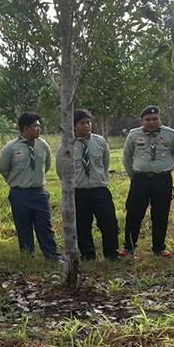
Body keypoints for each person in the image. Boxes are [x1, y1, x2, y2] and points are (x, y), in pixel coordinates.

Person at [56, 109, 120, 261]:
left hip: (99, 189)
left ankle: (111, 253)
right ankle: (88, 254)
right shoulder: (67, 146)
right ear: (73, 126)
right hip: (79, 192)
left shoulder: (100, 141)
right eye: (82, 123)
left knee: (109, 223)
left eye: (88, 122)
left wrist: (99, 178)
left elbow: (104, 163)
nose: (87, 125)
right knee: (82, 226)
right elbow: (61, 171)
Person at [122, 106, 174, 257]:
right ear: (142, 120)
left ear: (159, 119)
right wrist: (135, 176)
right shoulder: (133, 134)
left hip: (162, 180)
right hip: (140, 179)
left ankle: (159, 247)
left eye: (155, 118)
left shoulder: (171, 134)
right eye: (148, 119)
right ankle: (129, 247)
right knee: (134, 213)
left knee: (161, 213)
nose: (151, 122)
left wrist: (165, 169)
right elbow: (126, 157)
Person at [0, 112, 61, 259]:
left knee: (45, 226)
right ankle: (28, 256)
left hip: (39, 192)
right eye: (35, 126)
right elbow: (3, 169)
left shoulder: (43, 145)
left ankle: (52, 255)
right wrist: (17, 181)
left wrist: (35, 179)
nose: (39, 129)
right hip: (19, 193)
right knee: (24, 227)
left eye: (39, 126)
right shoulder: (11, 148)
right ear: (25, 128)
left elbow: (46, 165)